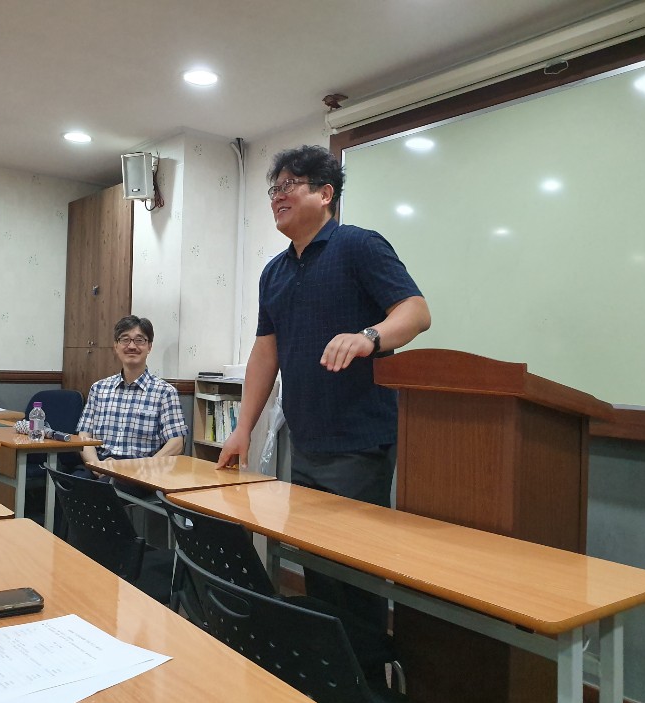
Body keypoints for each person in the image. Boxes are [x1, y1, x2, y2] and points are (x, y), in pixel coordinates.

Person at [216, 144, 431, 636]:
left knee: (352, 576)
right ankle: (327, 667)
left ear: (325, 193)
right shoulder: (273, 272)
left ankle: (364, 672)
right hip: (306, 442)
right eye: (273, 189)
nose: (277, 196)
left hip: (359, 444)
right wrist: (242, 428)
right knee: (317, 567)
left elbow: (416, 312)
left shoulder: (358, 245)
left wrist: (369, 336)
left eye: (288, 186)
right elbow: (265, 353)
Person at [76, 315, 187, 478]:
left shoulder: (165, 392)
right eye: (125, 340)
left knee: (106, 489)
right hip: (100, 464)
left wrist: (143, 469)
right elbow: (84, 436)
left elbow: (176, 443)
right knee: (68, 483)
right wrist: (96, 466)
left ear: (149, 347)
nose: (132, 346)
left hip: (141, 472)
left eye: (139, 340)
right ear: (116, 346)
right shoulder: (99, 389)